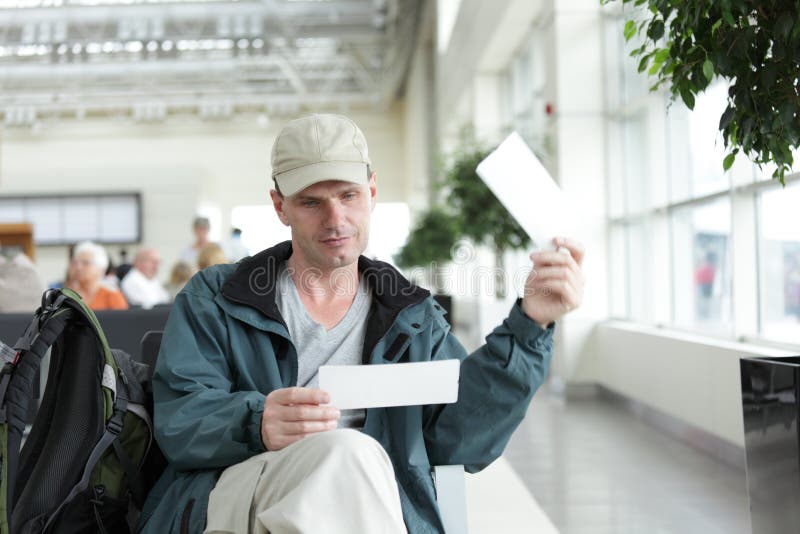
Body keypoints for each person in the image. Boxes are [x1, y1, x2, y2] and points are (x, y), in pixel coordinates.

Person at [140, 114, 585, 533]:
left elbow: (459, 441)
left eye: (348, 195)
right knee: (347, 454)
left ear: (372, 191)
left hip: (368, 503)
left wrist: (530, 324)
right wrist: (255, 423)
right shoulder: (216, 298)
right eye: (311, 202)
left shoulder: (412, 317)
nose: (335, 220)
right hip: (238, 496)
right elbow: (180, 418)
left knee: (354, 463)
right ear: (280, 207)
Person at [66, 241, 128, 310]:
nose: (78, 267)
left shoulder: (112, 296)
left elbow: (122, 320)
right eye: (75, 262)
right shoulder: (65, 295)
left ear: (101, 268)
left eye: (85, 263)